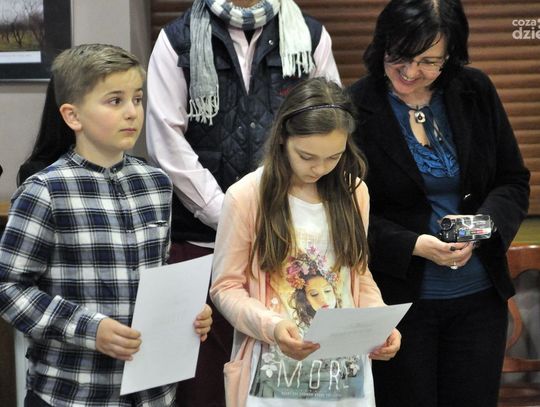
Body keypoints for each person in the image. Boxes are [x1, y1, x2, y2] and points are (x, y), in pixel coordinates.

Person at [145, 0, 341, 405]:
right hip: (201, 242)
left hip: (290, 246)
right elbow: (166, 141)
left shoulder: (310, 35)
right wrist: (233, 216)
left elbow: (328, 121)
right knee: (206, 387)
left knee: (282, 376)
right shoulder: (177, 39)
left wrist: (280, 222)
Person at [0, 43, 212, 407]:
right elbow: (8, 287)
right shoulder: (44, 191)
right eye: (115, 101)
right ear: (73, 116)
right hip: (74, 395)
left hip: (153, 394)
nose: (132, 112)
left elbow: (158, 274)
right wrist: (88, 328)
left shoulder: (156, 183)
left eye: (137, 99)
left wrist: (187, 312)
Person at [348, 1, 531, 406]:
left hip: (479, 300)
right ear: (382, 44)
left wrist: (480, 228)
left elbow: (513, 181)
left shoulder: (475, 91)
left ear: (450, 56)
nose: (411, 72)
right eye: (400, 56)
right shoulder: (356, 106)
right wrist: (413, 244)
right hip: (399, 303)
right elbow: (347, 214)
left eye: (429, 61)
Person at [210, 77, 402, 407]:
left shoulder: (354, 192)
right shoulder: (246, 197)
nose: (320, 169)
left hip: (344, 379)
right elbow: (225, 287)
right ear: (282, 138)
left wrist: (379, 322)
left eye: (333, 157)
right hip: (274, 380)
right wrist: (273, 326)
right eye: (307, 156)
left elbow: (357, 274)